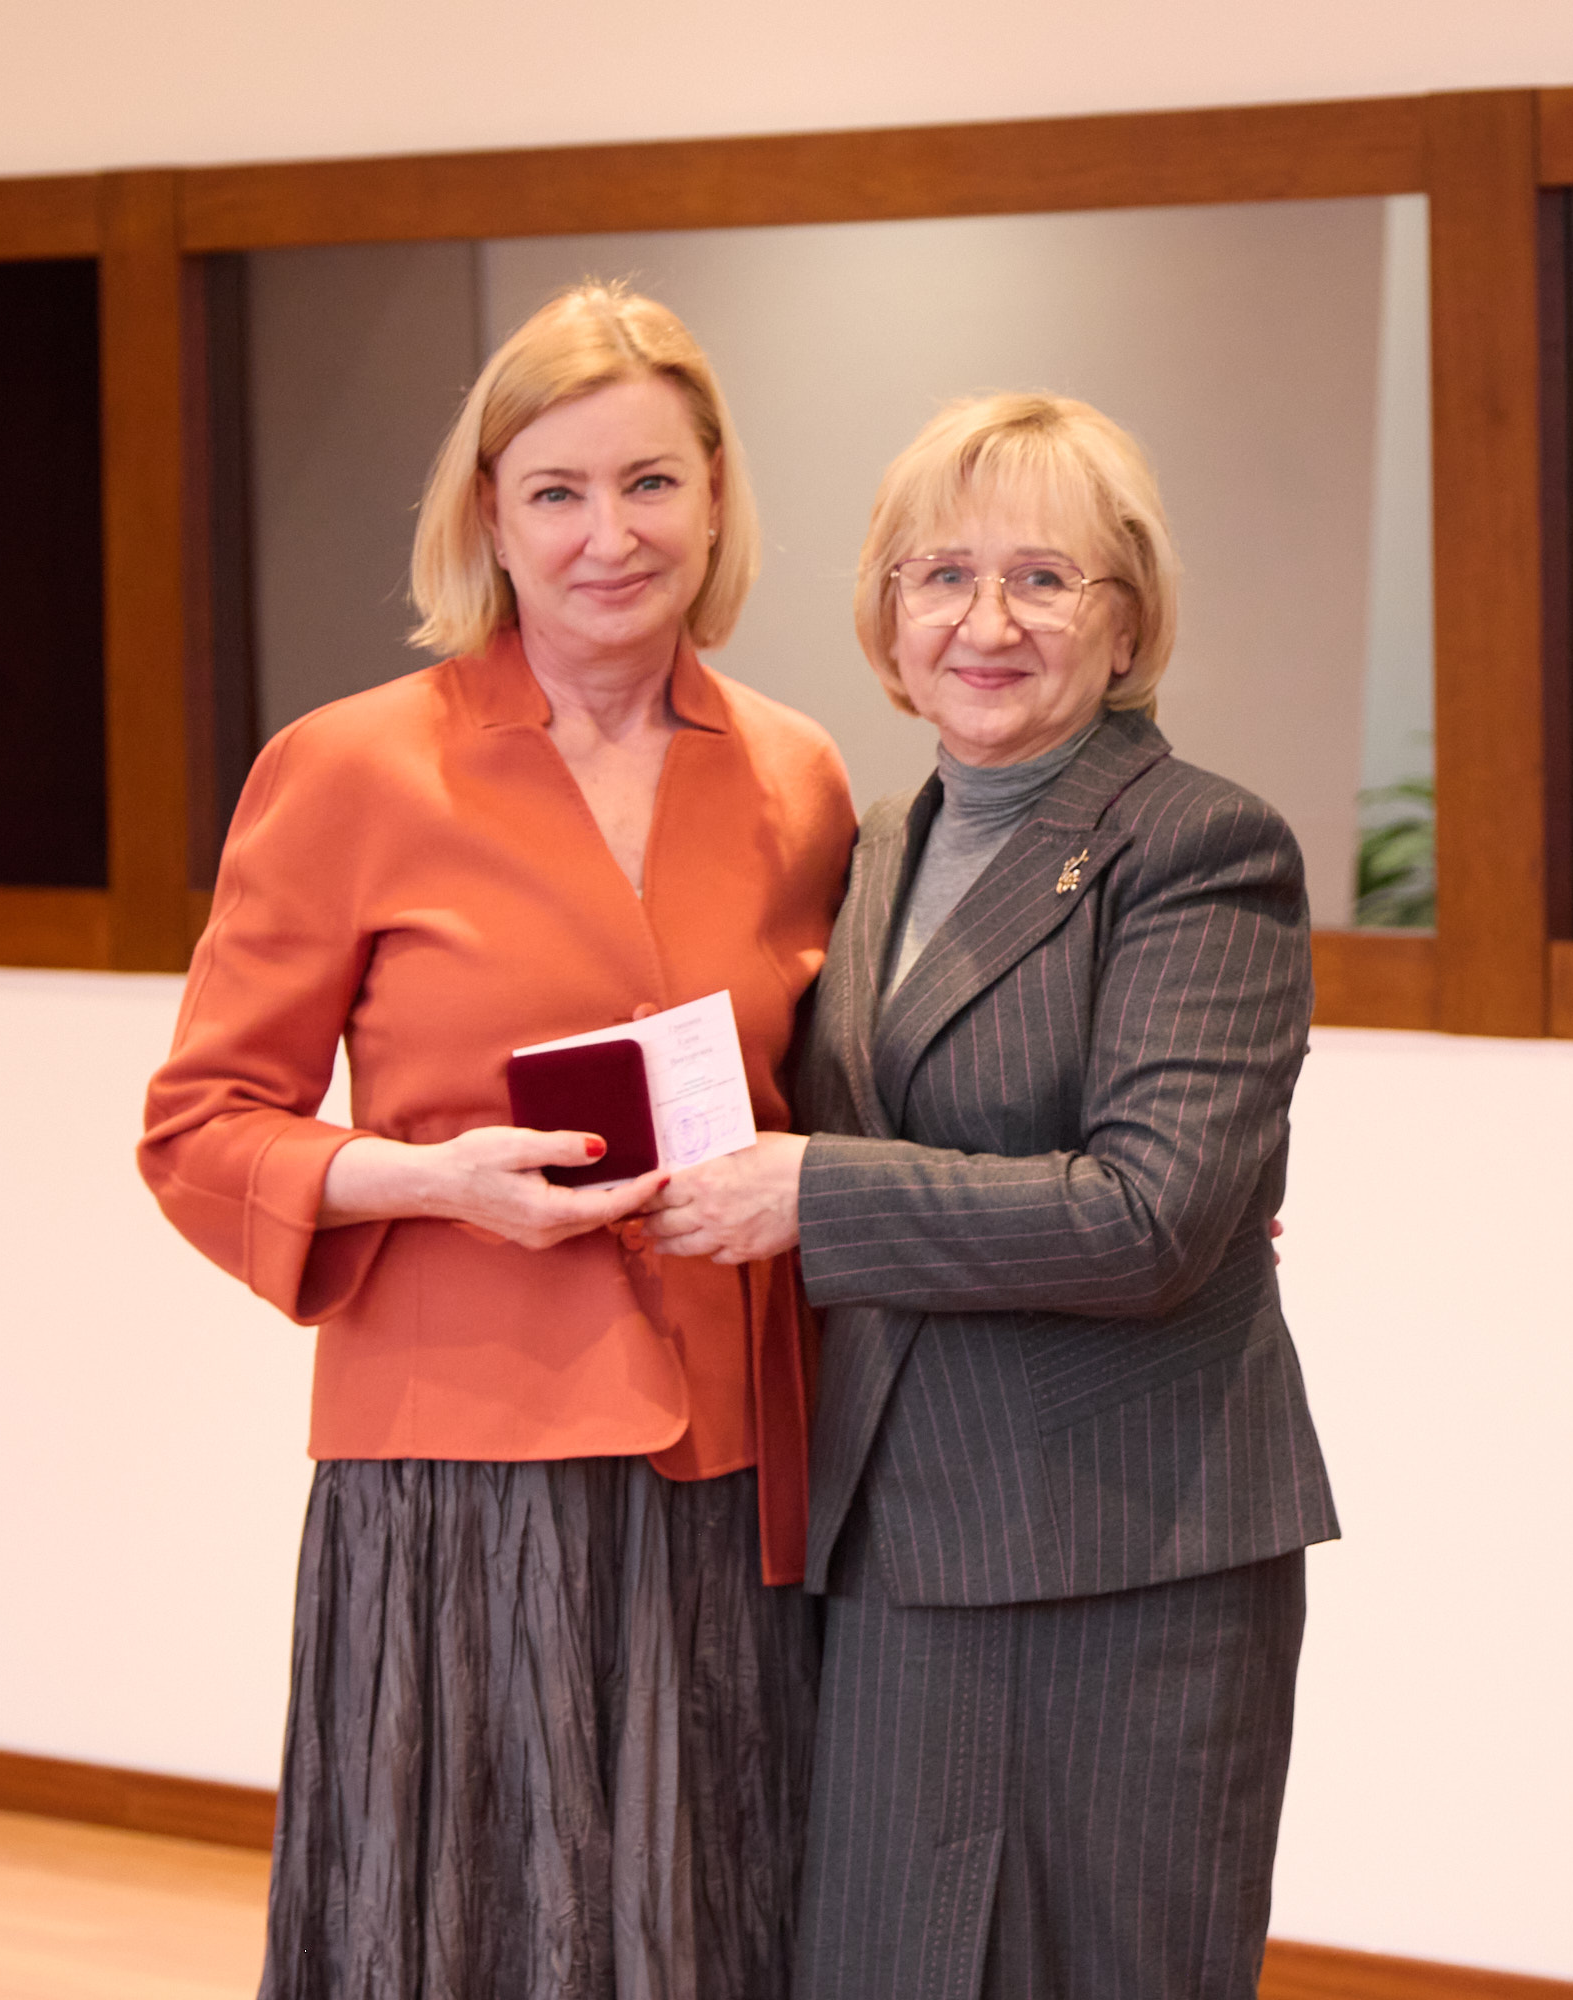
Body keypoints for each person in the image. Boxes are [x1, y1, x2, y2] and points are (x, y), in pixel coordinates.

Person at [139, 282, 856, 2000]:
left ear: (715, 496)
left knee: (709, 1928)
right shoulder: (349, 770)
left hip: (730, 1473)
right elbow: (198, 1131)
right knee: (461, 1935)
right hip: (454, 1477)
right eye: (558, 491)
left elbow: (848, 1102)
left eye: (652, 482)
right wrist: (431, 1181)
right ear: (490, 515)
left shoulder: (800, 778)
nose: (612, 534)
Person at [642, 392, 1338, 1999]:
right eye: (943, 576)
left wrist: (816, 1196)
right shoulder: (883, 843)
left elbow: (1150, 1220)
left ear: (1126, 620)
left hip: (1124, 1555)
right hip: (900, 1537)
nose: (987, 621)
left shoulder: (1204, 847)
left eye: (1043, 578)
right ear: (889, 616)